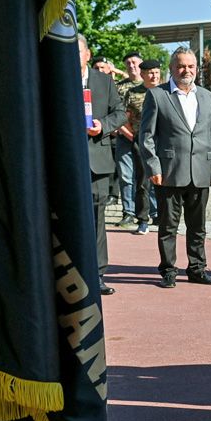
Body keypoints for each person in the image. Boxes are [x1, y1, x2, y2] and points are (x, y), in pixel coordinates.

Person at [138, 47, 211, 287]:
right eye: (181, 66)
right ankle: (168, 270)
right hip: (169, 172)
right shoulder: (157, 95)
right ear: (171, 69)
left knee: (198, 226)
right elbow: (146, 136)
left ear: (196, 68)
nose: (186, 70)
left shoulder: (208, 97)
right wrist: (153, 167)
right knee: (168, 226)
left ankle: (197, 269)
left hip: (200, 171)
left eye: (190, 66)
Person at [79, 34, 126, 296]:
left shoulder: (104, 81)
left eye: (77, 52)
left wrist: (102, 125)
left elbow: (119, 114)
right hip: (66, 160)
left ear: (87, 54)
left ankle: (97, 275)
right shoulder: (57, 79)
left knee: (97, 218)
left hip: (97, 160)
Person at [122, 59, 162, 234]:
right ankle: (143, 220)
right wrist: (133, 136)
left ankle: (163, 218)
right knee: (143, 183)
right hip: (143, 142)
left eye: (157, 72)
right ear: (143, 74)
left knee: (166, 182)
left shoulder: (167, 91)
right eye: (150, 73)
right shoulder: (132, 93)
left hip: (164, 142)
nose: (154, 76)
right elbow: (123, 117)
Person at [114, 52, 144, 227]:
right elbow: (115, 114)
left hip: (146, 139)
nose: (132, 66)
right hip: (125, 137)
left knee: (147, 177)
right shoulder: (120, 87)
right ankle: (128, 212)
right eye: (128, 63)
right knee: (126, 175)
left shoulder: (151, 84)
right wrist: (128, 134)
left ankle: (152, 211)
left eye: (135, 62)